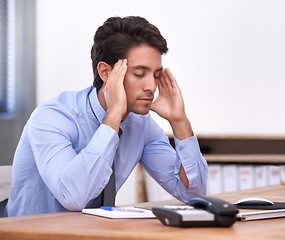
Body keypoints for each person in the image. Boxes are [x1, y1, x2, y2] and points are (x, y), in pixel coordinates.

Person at [4, 16, 208, 217]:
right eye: (139, 74)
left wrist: (179, 121)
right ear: (105, 72)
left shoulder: (141, 125)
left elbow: (193, 194)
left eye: (155, 75)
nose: (152, 87)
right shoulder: (51, 117)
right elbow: (74, 197)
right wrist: (113, 117)